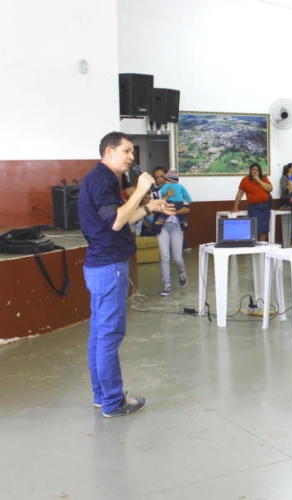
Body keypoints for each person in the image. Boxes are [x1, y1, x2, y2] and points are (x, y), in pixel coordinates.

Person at [78, 131, 175, 418]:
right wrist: (143, 189)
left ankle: (102, 396)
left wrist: (149, 207)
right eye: (127, 151)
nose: (132, 157)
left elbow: (123, 216)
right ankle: (113, 402)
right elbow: (118, 221)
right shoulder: (102, 180)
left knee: (99, 334)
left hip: (100, 265)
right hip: (108, 267)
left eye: (132, 152)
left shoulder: (104, 179)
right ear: (108, 152)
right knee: (109, 335)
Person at [152, 168, 192, 296]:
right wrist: (167, 196)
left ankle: (181, 272)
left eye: (162, 176)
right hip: (162, 227)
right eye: (157, 177)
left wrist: (176, 211)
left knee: (177, 257)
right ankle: (166, 285)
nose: (160, 179)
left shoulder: (179, 189)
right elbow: (154, 209)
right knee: (164, 256)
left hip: (176, 226)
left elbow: (187, 209)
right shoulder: (155, 192)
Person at [233, 163, 272, 241]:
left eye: (257, 170)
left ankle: (262, 250)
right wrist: (235, 207)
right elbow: (240, 193)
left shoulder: (264, 178)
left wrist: (259, 180)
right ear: (250, 171)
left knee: (264, 229)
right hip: (253, 207)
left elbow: (270, 189)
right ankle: (253, 249)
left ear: (260, 171)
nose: (255, 171)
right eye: (253, 170)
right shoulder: (245, 179)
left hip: (264, 207)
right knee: (253, 229)